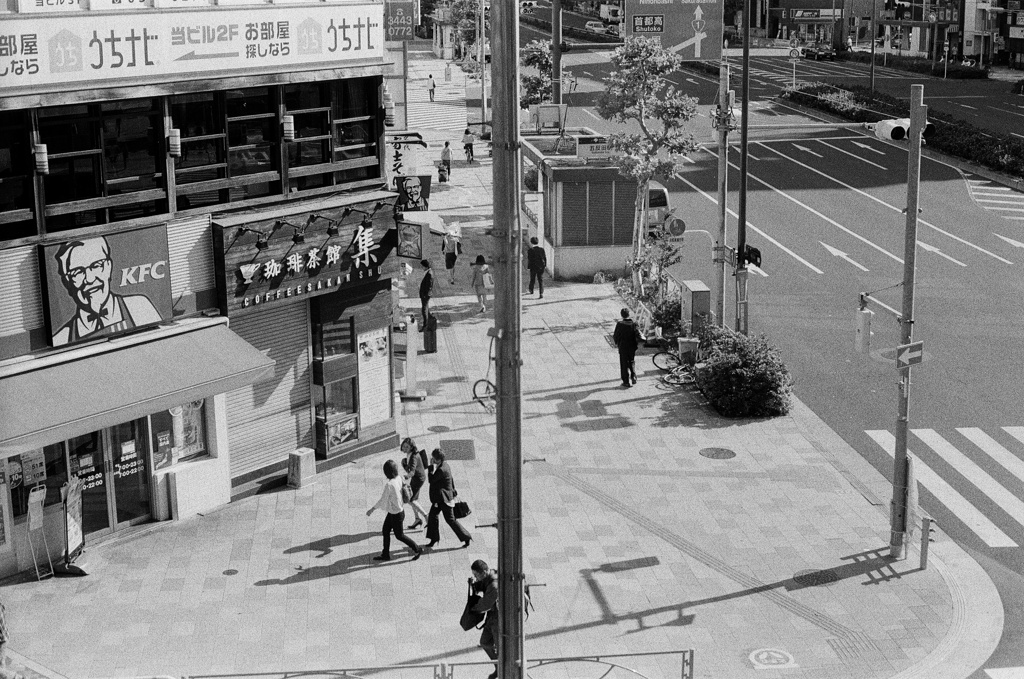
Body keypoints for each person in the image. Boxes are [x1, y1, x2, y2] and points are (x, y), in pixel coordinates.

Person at [52, 236, 163, 346]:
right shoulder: (61, 338)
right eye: (77, 272)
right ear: (67, 281)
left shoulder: (139, 307)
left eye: (96, 266)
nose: (89, 279)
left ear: (109, 267)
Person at [366, 459, 422, 562]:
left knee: (399, 535)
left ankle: (417, 549)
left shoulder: (389, 485)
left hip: (396, 514)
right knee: (385, 530)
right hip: (397, 512)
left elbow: (382, 500)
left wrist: (372, 509)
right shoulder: (399, 478)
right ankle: (385, 554)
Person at [425, 448, 472, 550]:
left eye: (434, 459)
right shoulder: (445, 465)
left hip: (444, 499)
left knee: (450, 520)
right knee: (433, 516)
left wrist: (429, 466)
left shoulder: (441, 469)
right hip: (439, 498)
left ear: (439, 460)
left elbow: (431, 480)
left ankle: (466, 537)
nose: (432, 460)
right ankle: (433, 539)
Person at [469, 559, 499, 679]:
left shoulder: (494, 586)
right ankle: (499, 666)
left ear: (485, 571)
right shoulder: (487, 578)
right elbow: (482, 585)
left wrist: (472, 609)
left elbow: (485, 604)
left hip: (498, 619)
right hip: (492, 617)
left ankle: (502, 667)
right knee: (485, 642)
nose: (476, 578)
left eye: (477, 575)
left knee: (500, 646)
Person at [401, 437, 430, 529]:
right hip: (417, 478)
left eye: (407, 447)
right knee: (413, 499)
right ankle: (417, 519)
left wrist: (404, 477)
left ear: (411, 447)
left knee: (411, 500)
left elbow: (412, 472)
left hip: (418, 479)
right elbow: (410, 470)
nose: (405, 449)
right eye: (404, 446)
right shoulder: (411, 454)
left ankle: (426, 516)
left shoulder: (413, 457)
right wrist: (405, 465)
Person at [613, 307, 643, 388]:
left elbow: (615, 336)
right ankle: (633, 375)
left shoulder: (620, 324)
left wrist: (617, 344)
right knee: (631, 360)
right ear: (629, 314)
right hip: (632, 346)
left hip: (623, 347)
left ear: (622, 315)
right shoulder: (634, 324)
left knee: (624, 363)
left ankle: (626, 381)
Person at [418, 259, 434, 328]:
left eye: (422, 266)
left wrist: (425, 295)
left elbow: (429, 286)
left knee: (424, 309)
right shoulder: (428, 272)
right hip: (425, 294)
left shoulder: (429, 274)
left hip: (425, 295)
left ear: (426, 266)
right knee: (426, 308)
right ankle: (428, 321)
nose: (422, 268)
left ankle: (425, 325)